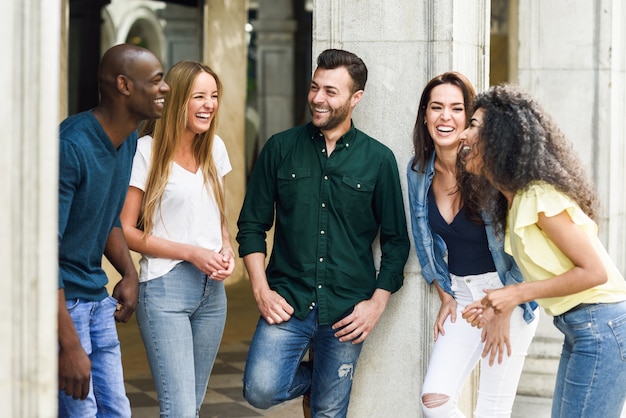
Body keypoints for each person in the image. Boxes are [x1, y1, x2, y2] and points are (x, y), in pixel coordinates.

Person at [236, 48, 410, 417]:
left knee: (329, 412)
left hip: (347, 310)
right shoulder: (280, 149)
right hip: (287, 300)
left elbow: (396, 241)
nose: (318, 98)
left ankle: (332, 382)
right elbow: (251, 224)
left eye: (331, 91)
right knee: (260, 389)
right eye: (315, 87)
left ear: (355, 97)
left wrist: (376, 305)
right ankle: (328, 378)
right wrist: (260, 289)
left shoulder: (378, 160)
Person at [460, 83, 626, 418]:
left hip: (601, 327)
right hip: (581, 328)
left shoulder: (538, 196)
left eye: (474, 125)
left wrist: (516, 293)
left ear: (499, 136)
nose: (463, 134)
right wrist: (499, 302)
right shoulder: (514, 199)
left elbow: (595, 272)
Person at [407, 72, 539, 417]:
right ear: (425, 115)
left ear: (469, 120)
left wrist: (504, 305)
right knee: (433, 401)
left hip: (506, 294)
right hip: (463, 300)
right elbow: (422, 235)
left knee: (491, 410)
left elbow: (526, 247)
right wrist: (443, 289)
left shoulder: (491, 171)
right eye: (436, 107)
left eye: (456, 108)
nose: (445, 117)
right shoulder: (418, 171)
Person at [58, 44, 170, 417]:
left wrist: (129, 272)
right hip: (63, 307)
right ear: (124, 85)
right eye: (156, 80)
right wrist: (68, 344)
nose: (165, 88)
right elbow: (41, 254)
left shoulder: (128, 144)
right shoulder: (71, 146)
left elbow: (104, 219)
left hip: (96, 300)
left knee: (117, 411)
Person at [119, 60, 234, 417]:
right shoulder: (145, 152)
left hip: (212, 294)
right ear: (176, 100)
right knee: (180, 410)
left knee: (191, 407)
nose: (208, 104)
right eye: (198, 96)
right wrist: (191, 253)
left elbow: (217, 218)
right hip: (165, 290)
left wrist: (226, 247)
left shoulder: (214, 148)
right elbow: (126, 230)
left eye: (213, 96)